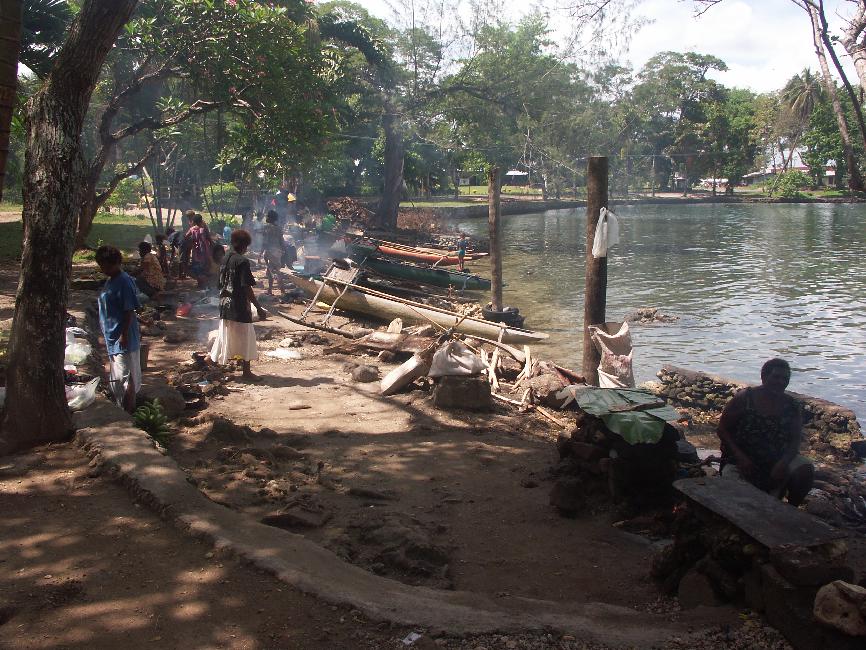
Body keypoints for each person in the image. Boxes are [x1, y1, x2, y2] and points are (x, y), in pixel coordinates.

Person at [717, 358, 814, 506]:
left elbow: (795, 440)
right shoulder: (745, 398)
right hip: (741, 460)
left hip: (776, 459)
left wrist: (784, 462)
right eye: (776, 377)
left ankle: (790, 509)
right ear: (764, 377)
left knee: (805, 469)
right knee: (737, 498)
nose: (780, 382)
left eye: (785, 379)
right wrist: (740, 457)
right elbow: (722, 430)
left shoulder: (792, 406)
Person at [210, 229, 268, 381]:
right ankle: (246, 372)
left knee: (225, 334)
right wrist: (259, 308)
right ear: (243, 245)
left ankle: (210, 361)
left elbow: (220, 284)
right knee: (247, 337)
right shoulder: (242, 261)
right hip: (239, 306)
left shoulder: (224, 259)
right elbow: (246, 287)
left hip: (224, 303)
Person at [95, 245, 141, 412]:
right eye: (101, 265)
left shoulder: (124, 281)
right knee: (119, 375)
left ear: (116, 263)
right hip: (112, 335)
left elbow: (129, 310)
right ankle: (122, 409)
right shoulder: (110, 280)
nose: (103, 269)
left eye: (106, 265)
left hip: (123, 336)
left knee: (125, 377)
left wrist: (124, 335)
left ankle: (129, 413)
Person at [261, 209, 286, 295]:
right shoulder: (279, 228)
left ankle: (279, 290)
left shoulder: (266, 227)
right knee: (274, 271)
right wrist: (283, 250)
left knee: (272, 272)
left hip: (270, 251)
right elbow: (281, 241)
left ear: (269, 217)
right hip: (278, 251)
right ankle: (272, 290)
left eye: (267, 216)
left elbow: (265, 242)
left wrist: (261, 253)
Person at [185, 213, 213, 288]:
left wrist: (192, 241)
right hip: (203, 250)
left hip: (195, 251)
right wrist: (211, 246)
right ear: (201, 221)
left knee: (197, 267)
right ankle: (203, 283)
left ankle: (200, 282)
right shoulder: (202, 229)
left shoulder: (192, 229)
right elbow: (205, 240)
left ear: (194, 221)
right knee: (203, 267)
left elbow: (186, 237)